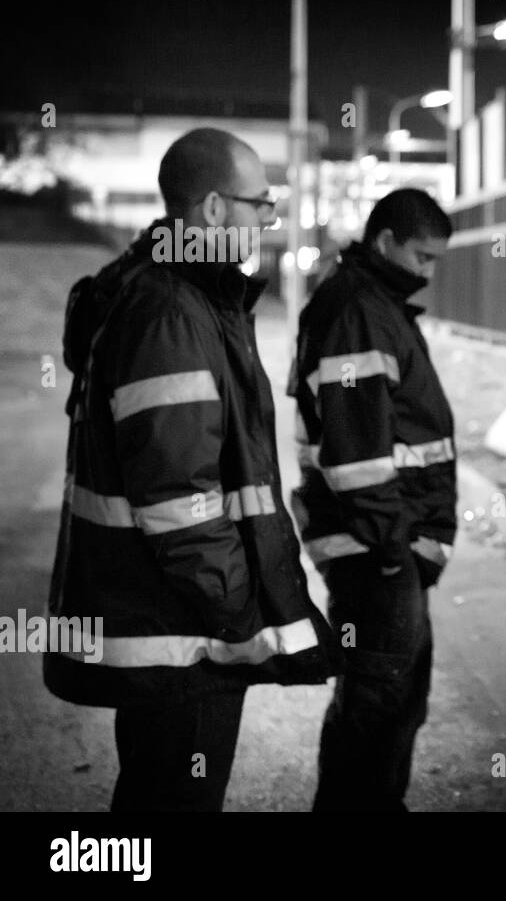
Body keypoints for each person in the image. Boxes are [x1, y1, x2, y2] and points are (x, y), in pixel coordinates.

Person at [47, 127, 339, 811]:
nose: (269, 220)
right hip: (187, 633)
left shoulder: (175, 295)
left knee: (152, 795)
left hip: (168, 621)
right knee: (175, 800)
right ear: (212, 210)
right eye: (260, 205)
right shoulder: (171, 311)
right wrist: (235, 617)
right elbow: (179, 497)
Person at [291, 188, 457, 811]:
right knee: (376, 706)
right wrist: (393, 552)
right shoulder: (359, 309)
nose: (428, 272)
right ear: (385, 240)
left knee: (394, 705)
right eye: (422, 255)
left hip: (387, 546)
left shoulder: (371, 303)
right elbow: (357, 456)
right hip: (375, 551)